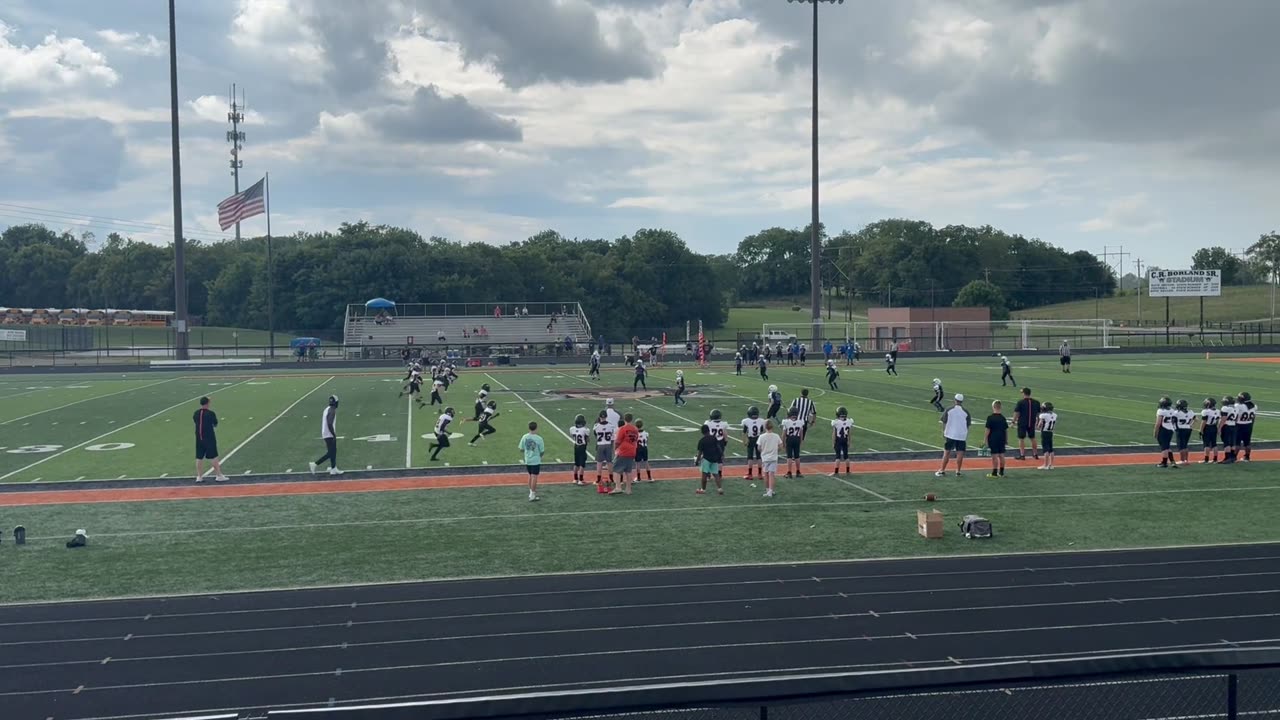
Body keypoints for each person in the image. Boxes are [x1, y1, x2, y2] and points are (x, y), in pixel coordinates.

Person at [193, 396, 228, 483]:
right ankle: (219, 475)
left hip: (198, 437)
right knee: (213, 456)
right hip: (209, 437)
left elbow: (195, 421)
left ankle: (199, 476)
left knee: (199, 457)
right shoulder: (210, 413)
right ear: (207, 403)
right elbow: (215, 424)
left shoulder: (196, 413)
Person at [936, 394, 971, 477]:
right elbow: (968, 425)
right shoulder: (966, 412)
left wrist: (944, 432)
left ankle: (942, 470)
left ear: (955, 400)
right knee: (960, 453)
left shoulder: (949, 410)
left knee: (947, 452)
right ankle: (958, 471)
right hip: (961, 435)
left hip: (950, 434)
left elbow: (944, 421)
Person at [310, 394, 342, 476]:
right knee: (331, 453)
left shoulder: (327, 409)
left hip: (325, 433)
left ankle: (333, 469)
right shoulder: (332, 410)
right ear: (336, 403)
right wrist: (333, 434)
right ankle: (315, 464)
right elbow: (329, 423)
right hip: (329, 434)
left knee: (333, 451)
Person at [613, 414, 640, 495]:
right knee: (628, 471)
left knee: (616, 469)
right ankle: (628, 489)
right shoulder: (635, 429)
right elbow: (636, 439)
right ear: (631, 419)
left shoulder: (622, 429)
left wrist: (615, 449)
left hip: (623, 451)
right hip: (632, 451)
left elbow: (617, 441)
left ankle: (618, 487)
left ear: (624, 419)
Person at [518, 422, 545, 502]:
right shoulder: (539, 438)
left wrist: (527, 452)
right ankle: (533, 494)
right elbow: (542, 451)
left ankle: (531, 492)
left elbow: (521, 449)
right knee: (534, 477)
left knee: (530, 476)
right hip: (535, 460)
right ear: (536, 428)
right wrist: (539, 456)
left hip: (527, 460)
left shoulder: (524, 437)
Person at [695, 424, 724, 495]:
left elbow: (699, 453)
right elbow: (718, 447)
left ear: (702, 432)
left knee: (704, 475)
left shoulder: (702, 441)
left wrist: (697, 461)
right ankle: (720, 489)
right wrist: (721, 455)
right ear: (708, 430)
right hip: (715, 458)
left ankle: (703, 489)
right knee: (716, 474)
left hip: (706, 459)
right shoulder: (714, 438)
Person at [1013, 387, 1041, 461]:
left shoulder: (1020, 402)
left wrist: (1013, 421)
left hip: (1022, 422)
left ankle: (1022, 455)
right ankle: (1035, 454)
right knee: (1032, 437)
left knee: (1021, 438)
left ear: (1024, 393)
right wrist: (1038, 421)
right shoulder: (1036, 402)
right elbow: (1038, 414)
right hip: (1032, 422)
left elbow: (1017, 413)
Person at [758, 419, 782, 498]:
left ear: (765, 427)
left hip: (765, 458)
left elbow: (759, 447)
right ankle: (771, 491)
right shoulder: (776, 436)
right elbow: (780, 446)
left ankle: (768, 490)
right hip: (773, 458)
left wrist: (764, 451)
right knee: (771, 474)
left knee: (766, 474)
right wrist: (775, 451)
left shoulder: (761, 437)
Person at [983, 400, 1008, 478]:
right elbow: (1006, 430)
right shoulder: (1003, 418)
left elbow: (988, 430)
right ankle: (1001, 472)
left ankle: (994, 473)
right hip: (1002, 438)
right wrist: (1006, 440)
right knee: (1001, 455)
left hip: (993, 439)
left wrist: (985, 440)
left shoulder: (990, 418)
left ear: (993, 407)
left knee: (995, 456)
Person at [593, 410, 616, 491]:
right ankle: (612, 479)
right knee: (609, 462)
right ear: (606, 416)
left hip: (600, 445)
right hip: (608, 444)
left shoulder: (596, 426)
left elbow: (596, 435)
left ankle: (598, 479)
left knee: (599, 463)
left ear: (600, 417)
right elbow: (612, 437)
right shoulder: (611, 426)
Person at [741, 406, 766, 480]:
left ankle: (750, 473)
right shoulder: (761, 421)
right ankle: (760, 473)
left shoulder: (746, 421)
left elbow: (744, 432)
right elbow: (762, 431)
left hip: (751, 439)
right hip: (758, 438)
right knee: (759, 457)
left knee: (750, 457)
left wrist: (744, 441)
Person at [1154, 397, 1178, 468]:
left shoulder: (1161, 411)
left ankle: (1164, 463)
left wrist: (1155, 432)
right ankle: (1173, 462)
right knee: (1167, 446)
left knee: (1164, 447)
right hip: (1170, 429)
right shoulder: (1172, 410)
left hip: (1163, 429)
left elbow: (1158, 423)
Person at [782, 407, 805, 478]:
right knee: (797, 456)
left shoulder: (786, 422)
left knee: (789, 457)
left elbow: (784, 434)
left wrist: (783, 443)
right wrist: (800, 441)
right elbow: (801, 433)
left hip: (790, 439)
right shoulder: (800, 422)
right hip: (797, 438)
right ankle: (798, 471)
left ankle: (789, 472)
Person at [1197, 398, 1221, 464]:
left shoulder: (1206, 411)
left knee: (1206, 444)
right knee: (1214, 444)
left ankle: (1206, 460)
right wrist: (1218, 429)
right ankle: (1215, 459)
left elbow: (1204, 422)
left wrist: (1201, 430)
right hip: (1214, 427)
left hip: (1207, 427)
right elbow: (1217, 421)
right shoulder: (1218, 411)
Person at [831, 406, 854, 475]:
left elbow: (834, 434)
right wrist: (849, 441)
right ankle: (848, 471)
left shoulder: (836, 422)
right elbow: (849, 433)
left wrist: (833, 442)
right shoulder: (849, 421)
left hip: (838, 440)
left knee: (838, 457)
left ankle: (836, 472)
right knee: (846, 456)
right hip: (845, 440)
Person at [570, 414, 591, 485]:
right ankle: (581, 479)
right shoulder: (585, 430)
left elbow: (573, 435)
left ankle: (575, 479)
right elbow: (588, 439)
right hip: (582, 447)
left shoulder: (572, 429)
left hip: (576, 446)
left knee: (576, 463)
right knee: (582, 464)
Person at [1236, 391, 1257, 462]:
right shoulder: (1254, 406)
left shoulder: (1238, 406)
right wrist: (1251, 424)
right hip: (1248, 425)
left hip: (1239, 425)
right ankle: (1247, 457)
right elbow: (1254, 417)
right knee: (1247, 442)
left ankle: (1234, 456)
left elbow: (1236, 416)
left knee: (1237, 442)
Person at [1037, 401, 1058, 470]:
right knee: (1051, 449)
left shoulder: (1043, 415)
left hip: (1045, 432)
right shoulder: (1055, 415)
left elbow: (1039, 426)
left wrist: (1038, 425)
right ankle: (1051, 465)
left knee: (1045, 449)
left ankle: (1045, 465)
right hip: (1050, 432)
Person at [707, 409, 729, 473]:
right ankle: (719, 474)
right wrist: (725, 441)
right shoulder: (724, 424)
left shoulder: (708, 423)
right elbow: (725, 433)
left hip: (711, 442)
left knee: (709, 458)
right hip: (720, 441)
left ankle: (708, 474)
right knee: (719, 459)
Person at [1174, 398, 1195, 465]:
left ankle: (1182, 460)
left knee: (1181, 446)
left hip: (1180, 429)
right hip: (1188, 429)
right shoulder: (1191, 412)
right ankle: (1186, 460)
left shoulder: (1177, 413)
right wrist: (1190, 425)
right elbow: (1195, 419)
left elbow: (1172, 420)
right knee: (1185, 445)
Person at [1219, 395, 1238, 464]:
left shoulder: (1225, 408)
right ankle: (1232, 457)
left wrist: (1219, 427)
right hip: (1233, 425)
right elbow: (1236, 418)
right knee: (1232, 443)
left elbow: (1224, 418)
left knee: (1227, 443)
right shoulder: (1236, 408)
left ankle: (1227, 458)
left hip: (1226, 426)